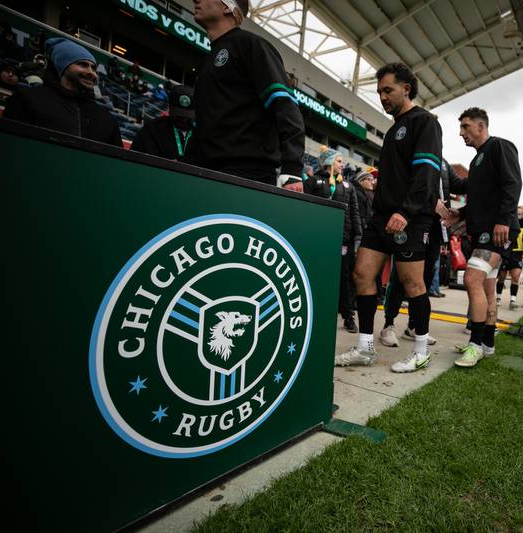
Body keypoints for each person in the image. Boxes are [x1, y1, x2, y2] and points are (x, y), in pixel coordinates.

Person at [335, 62, 442, 373]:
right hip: (381, 217)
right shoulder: (394, 127)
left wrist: (405, 211)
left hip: (409, 218)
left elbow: (426, 173)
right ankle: (365, 348)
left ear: (406, 89)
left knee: (412, 283)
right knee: (361, 275)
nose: (382, 97)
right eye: (380, 91)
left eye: (388, 90)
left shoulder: (425, 122)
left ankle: (421, 350)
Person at [186, 0, 305, 192]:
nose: (196, 0)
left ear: (227, 7)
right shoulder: (205, 62)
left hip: (247, 175)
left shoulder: (252, 45)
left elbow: (284, 104)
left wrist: (292, 168)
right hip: (204, 172)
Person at [446, 107, 522, 368]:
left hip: (498, 230)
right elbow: (481, 198)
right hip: (482, 231)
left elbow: (512, 184)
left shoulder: (500, 146)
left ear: (481, 126)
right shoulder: (477, 161)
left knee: (471, 278)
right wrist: (461, 214)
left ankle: (475, 344)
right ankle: (487, 344)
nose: (461, 133)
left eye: (466, 127)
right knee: (488, 289)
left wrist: (504, 219)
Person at [379, 157, 461, 347]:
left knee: (424, 279)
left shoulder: (444, 162)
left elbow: (458, 184)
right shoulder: (414, 153)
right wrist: (432, 202)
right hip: (413, 223)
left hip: (435, 228)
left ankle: (413, 327)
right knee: (402, 278)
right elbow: (407, 184)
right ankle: (388, 324)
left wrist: (484, 177)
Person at [3, 38, 122, 147]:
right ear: (62, 66)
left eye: (94, 68)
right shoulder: (27, 99)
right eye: (82, 65)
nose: (91, 72)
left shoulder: (106, 118)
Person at [304, 146, 362, 333]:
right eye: (338, 160)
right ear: (328, 162)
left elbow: (354, 213)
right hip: (319, 238)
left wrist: (358, 237)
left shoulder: (348, 185)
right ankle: (316, 312)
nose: (342, 164)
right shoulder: (313, 181)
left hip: (343, 240)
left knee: (343, 278)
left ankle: (347, 317)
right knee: (317, 275)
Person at [130, 85, 195, 160]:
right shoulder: (152, 130)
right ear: (169, 107)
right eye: (179, 115)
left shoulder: (200, 134)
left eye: (187, 117)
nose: (183, 120)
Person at [496, 206, 523, 309]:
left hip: (517, 254)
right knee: (501, 277)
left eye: (520, 214)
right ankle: (498, 297)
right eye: (517, 214)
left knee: (515, 277)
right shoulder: (508, 221)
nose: (518, 216)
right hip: (506, 252)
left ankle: (513, 300)